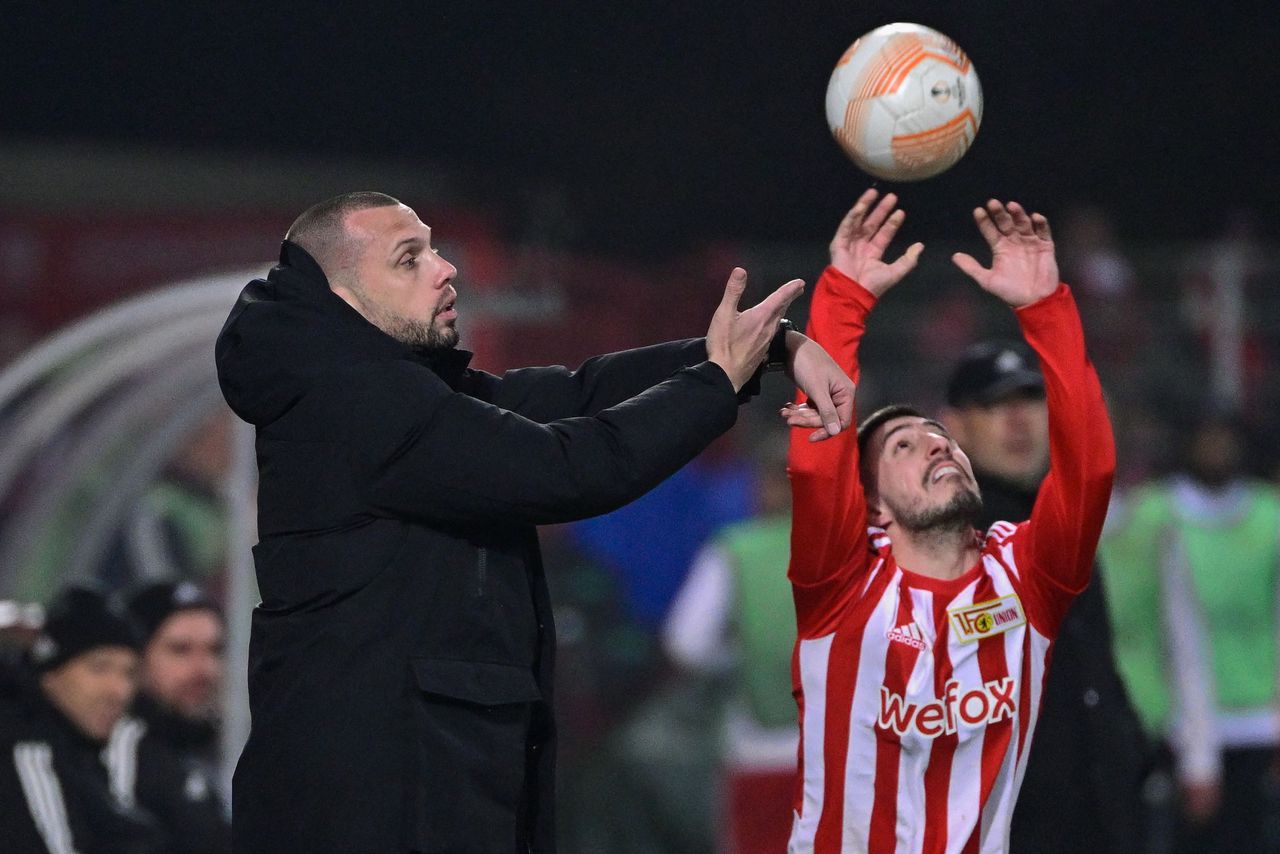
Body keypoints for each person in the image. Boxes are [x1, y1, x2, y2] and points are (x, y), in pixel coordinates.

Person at [213, 191, 856, 853]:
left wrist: (757, 353)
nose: (445, 269)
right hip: (378, 806)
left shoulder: (388, 390)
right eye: (410, 259)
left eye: (435, 248)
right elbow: (568, 466)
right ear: (345, 297)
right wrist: (717, 381)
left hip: (408, 790)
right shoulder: (358, 403)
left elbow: (570, 396)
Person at [780, 189, 1115, 851]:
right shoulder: (839, 587)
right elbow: (819, 466)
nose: (936, 444)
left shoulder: (1027, 575)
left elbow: (1089, 469)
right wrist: (843, 297)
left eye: (940, 436)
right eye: (903, 447)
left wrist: (1045, 310)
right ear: (872, 506)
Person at [941, 341, 1147, 853]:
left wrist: (1131, 748)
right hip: (1009, 820)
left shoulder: (1063, 519)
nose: (1018, 420)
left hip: (1104, 809)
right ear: (955, 424)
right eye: (993, 405)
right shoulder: (942, 536)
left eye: (1031, 399)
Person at [1101, 412, 1280, 854]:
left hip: (1259, 719)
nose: (1216, 449)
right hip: (1175, 723)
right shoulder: (1151, 516)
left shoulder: (1270, 515)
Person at [0, 585, 164, 853]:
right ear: (49, 674)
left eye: (129, 673)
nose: (119, 691)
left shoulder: (76, 756)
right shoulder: (27, 752)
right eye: (100, 667)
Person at [112, 580, 231, 853]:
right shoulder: (123, 756)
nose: (205, 670)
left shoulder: (196, 751)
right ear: (134, 659)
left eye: (214, 650)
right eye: (181, 650)